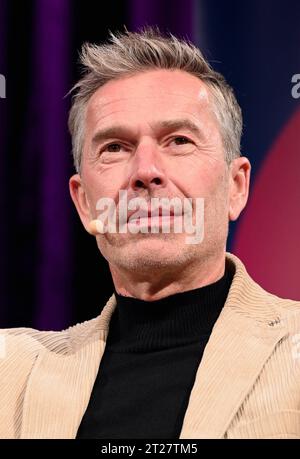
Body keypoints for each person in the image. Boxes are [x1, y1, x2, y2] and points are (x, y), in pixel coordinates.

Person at [0, 28, 299, 440]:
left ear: (236, 187)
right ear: (84, 202)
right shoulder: (11, 372)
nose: (145, 171)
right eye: (115, 148)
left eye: (178, 141)